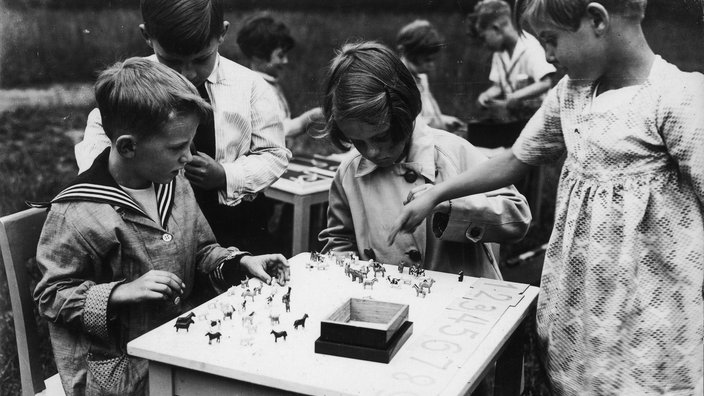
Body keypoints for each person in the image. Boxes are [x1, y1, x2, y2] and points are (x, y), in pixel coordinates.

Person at [389, 0, 704, 394]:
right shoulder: (569, 94)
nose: (548, 55)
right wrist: (437, 193)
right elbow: (516, 159)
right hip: (581, 293)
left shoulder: (679, 97)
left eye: (551, 40)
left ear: (597, 20)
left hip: (653, 301)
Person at [33, 58, 290, 396]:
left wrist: (238, 262)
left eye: (190, 145)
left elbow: (202, 250)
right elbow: (51, 296)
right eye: (177, 148)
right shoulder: (79, 212)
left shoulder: (173, 182)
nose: (188, 157)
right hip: (120, 380)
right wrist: (119, 292)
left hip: (178, 355)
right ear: (127, 146)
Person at [74, 0, 291, 253]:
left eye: (201, 59)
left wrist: (224, 175)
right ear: (147, 36)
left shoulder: (250, 86)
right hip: (152, 227)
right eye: (172, 61)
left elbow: (274, 154)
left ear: (222, 32)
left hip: (234, 223)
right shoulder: (130, 86)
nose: (187, 74)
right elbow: (96, 148)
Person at [317, 41, 531, 278]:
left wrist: (447, 206)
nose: (372, 153)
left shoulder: (452, 151)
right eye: (358, 142)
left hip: (461, 304)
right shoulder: (348, 173)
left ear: (406, 114)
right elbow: (339, 239)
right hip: (387, 303)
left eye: (381, 137)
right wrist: (351, 272)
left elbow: (518, 218)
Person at [467, 0, 555, 148]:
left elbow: (546, 82)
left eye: (484, 37)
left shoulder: (529, 47)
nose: (485, 44)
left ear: (496, 28)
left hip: (538, 116)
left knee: (531, 159)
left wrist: (516, 96)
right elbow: (498, 86)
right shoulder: (499, 53)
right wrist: (487, 95)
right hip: (515, 117)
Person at [236, 12, 323, 141]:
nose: (285, 61)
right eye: (280, 55)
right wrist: (314, 115)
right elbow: (280, 131)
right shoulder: (257, 89)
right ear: (258, 55)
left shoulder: (269, 83)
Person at [396, 19, 468, 135]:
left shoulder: (421, 77)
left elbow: (428, 114)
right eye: (427, 60)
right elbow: (411, 125)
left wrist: (444, 120)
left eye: (433, 60)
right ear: (408, 53)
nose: (431, 65)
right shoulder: (400, 80)